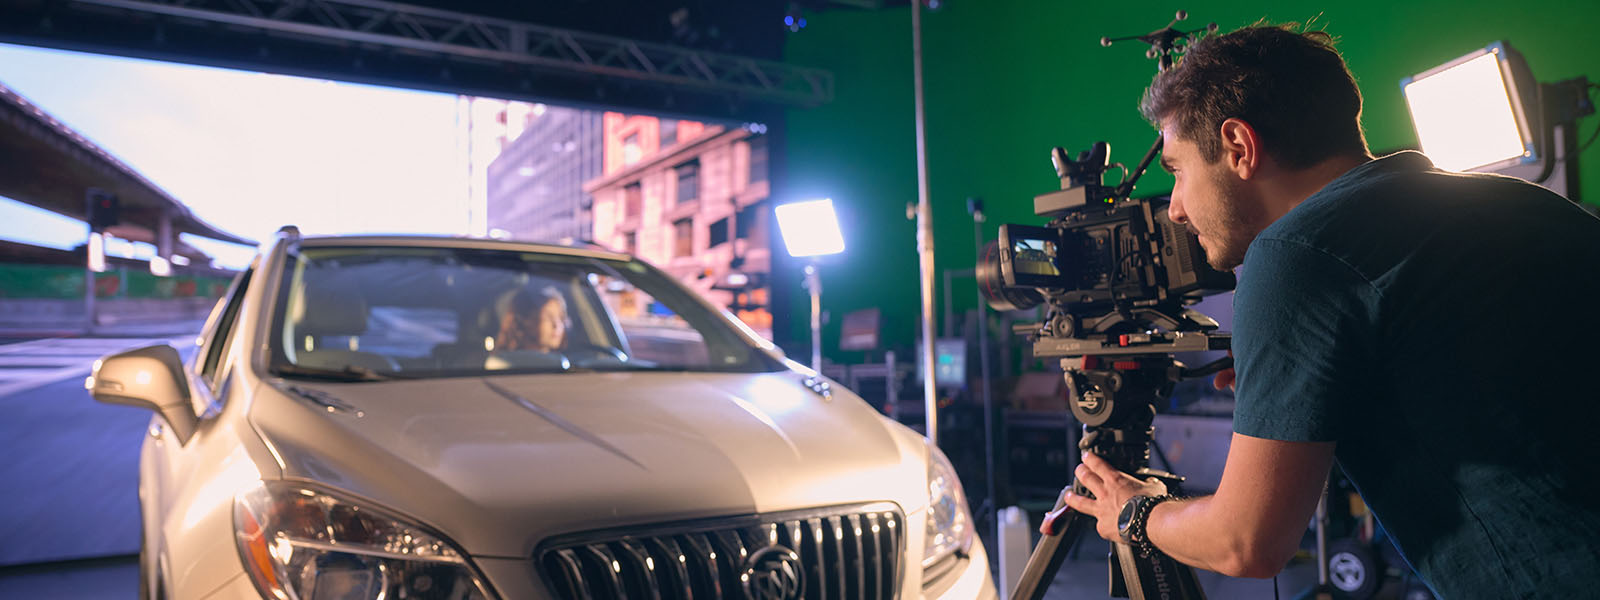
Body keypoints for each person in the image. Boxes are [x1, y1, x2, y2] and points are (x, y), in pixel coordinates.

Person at [1059, 23, 1600, 598]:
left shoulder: (1294, 253)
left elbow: (1246, 542)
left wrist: (1135, 513)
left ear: (1239, 147)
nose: (1174, 209)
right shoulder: (1521, 201)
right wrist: (1309, 380)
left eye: (1177, 171)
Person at [494, 285, 568, 354]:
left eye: (561, 318)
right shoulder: (503, 363)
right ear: (525, 320)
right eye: (548, 317)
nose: (557, 325)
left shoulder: (563, 363)